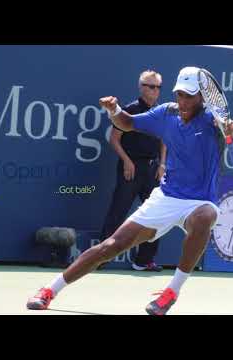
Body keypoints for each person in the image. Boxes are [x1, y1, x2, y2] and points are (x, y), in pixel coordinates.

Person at [26, 66, 233, 315]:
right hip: (167, 196)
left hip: (200, 201)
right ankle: (49, 291)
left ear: (201, 97)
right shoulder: (165, 114)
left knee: (205, 217)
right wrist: (114, 111)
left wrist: (231, 128)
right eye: (179, 94)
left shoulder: (211, 120)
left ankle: (171, 292)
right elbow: (127, 123)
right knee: (111, 246)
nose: (182, 100)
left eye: (189, 95)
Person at [98, 70, 166, 272]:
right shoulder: (129, 110)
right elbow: (114, 139)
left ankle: (144, 260)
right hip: (131, 168)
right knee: (117, 212)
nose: (155, 91)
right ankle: (100, 257)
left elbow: (164, 140)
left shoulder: (161, 112)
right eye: (151, 86)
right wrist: (127, 161)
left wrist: (162, 164)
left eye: (158, 87)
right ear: (141, 87)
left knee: (156, 215)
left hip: (153, 169)